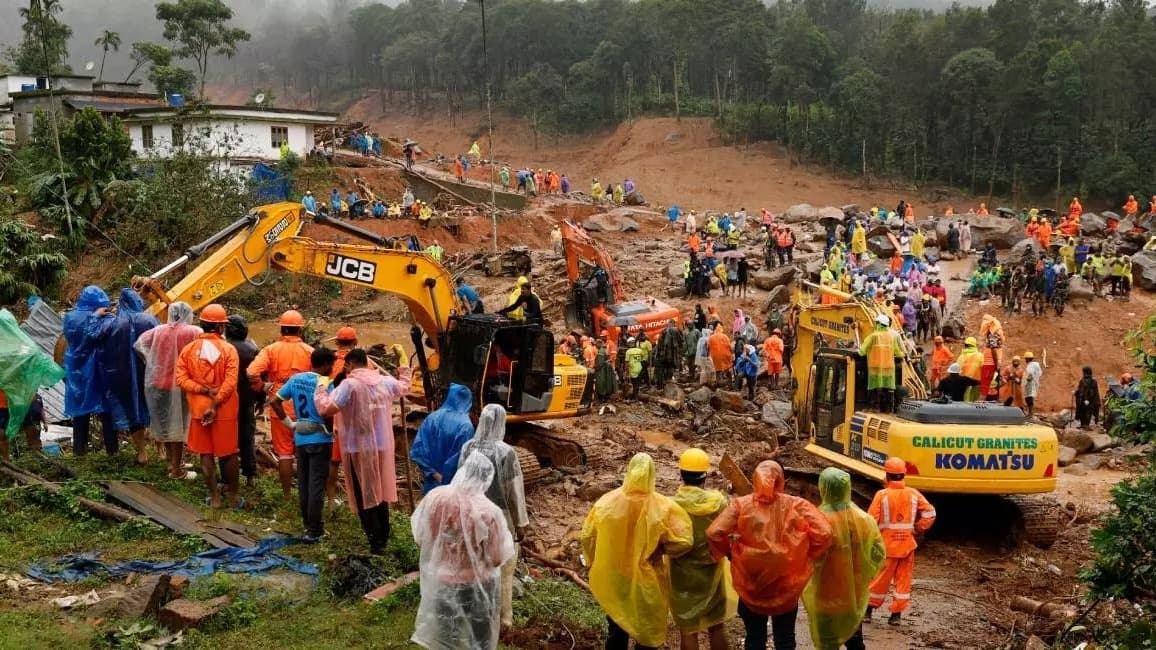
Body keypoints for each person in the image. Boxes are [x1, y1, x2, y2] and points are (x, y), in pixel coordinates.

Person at [707, 461, 833, 650]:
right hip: (786, 585)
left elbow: (714, 533)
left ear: (755, 479)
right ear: (781, 480)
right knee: (785, 638)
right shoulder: (796, 505)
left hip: (752, 583)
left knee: (755, 638)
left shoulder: (741, 505)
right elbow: (824, 533)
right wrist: (805, 555)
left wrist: (730, 552)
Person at [582, 453, 694, 650]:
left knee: (617, 625)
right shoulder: (664, 507)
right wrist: (664, 549)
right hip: (647, 577)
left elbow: (588, 537)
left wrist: (592, 562)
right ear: (653, 475)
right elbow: (685, 540)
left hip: (615, 575)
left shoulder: (606, 503)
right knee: (646, 630)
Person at [411, 453, 514, 650]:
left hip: (443, 581)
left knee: (445, 638)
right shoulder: (490, 512)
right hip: (477, 586)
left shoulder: (436, 498)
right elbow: (497, 558)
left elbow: (422, 538)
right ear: (487, 479)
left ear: (463, 471)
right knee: (480, 639)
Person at [315, 348, 410, 554]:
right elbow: (404, 387)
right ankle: (383, 536)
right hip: (383, 446)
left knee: (364, 494)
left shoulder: (350, 385)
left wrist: (321, 388)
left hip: (358, 448)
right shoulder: (384, 381)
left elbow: (325, 408)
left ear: (349, 365)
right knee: (381, 491)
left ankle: (376, 543)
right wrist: (403, 363)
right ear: (366, 362)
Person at [458, 404, 528, 630]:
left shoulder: (468, 447)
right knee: (504, 569)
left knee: (475, 565)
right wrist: (521, 524)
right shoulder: (506, 452)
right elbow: (514, 490)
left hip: (471, 514)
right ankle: (503, 620)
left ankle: (474, 612)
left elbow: (460, 480)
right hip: (500, 519)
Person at [803, 468, 886, 650]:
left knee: (826, 643)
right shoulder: (864, 520)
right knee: (855, 641)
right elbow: (879, 553)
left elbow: (803, 555)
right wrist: (866, 572)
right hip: (853, 593)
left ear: (823, 488)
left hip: (823, 594)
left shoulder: (816, 520)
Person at [174, 304, 241, 510]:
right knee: (228, 454)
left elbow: (180, 379)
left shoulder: (189, 350)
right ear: (221, 327)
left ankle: (215, 499)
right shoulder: (229, 350)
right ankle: (232, 497)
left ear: (202, 325)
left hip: (198, 410)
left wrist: (202, 390)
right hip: (224, 411)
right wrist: (215, 402)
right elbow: (230, 383)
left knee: (206, 454)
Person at [669, 449, 736, 650]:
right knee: (716, 625)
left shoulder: (672, 505)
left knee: (688, 629)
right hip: (712, 570)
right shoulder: (718, 502)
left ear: (681, 474)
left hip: (682, 574)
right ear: (705, 476)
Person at [247, 310, 314, 500]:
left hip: (279, 408)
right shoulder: (310, 351)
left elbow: (251, 373)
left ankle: (286, 496)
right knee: (305, 453)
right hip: (305, 408)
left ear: (281, 329)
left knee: (284, 454)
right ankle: (306, 494)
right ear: (300, 330)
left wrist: (263, 387)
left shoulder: (271, 350)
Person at [88, 288, 159, 462]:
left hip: (121, 376)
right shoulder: (149, 320)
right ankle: (162, 451)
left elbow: (92, 334)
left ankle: (142, 452)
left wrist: (96, 315)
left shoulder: (111, 323)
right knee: (154, 409)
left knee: (132, 412)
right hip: (147, 372)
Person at [134, 302, 201, 479]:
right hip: (180, 384)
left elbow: (139, 344)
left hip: (158, 383)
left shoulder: (158, 330)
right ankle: (176, 471)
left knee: (167, 424)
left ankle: (172, 461)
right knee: (178, 426)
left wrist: (152, 360)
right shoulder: (193, 331)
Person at [866, 457, 936, 626]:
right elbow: (930, 513)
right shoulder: (913, 494)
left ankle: (868, 612)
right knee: (903, 581)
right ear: (903, 475)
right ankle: (896, 616)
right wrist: (918, 528)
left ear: (887, 475)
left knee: (879, 580)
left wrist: (869, 541)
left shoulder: (881, 495)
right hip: (907, 546)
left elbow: (870, 520)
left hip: (887, 546)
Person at [410, 384, 476, 494]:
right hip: (453, 489)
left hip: (431, 486)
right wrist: (445, 478)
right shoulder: (466, 426)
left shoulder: (432, 418)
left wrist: (433, 473)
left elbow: (418, 449)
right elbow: (462, 458)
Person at [223, 315, 261, 485]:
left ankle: (226, 477)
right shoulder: (252, 349)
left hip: (225, 399)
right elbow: (259, 378)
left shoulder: (222, 348)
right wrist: (260, 399)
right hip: (247, 400)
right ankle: (250, 475)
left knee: (225, 438)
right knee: (247, 437)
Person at [860, 314, 904, 412]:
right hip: (888, 367)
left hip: (875, 366)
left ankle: (874, 407)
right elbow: (898, 352)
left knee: (875, 386)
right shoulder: (891, 337)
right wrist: (902, 355)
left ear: (879, 324)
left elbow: (862, 350)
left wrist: (860, 351)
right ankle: (889, 409)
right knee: (889, 387)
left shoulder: (873, 336)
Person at [654, 320, 683, 386]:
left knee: (667, 366)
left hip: (666, 352)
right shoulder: (675, 330)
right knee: (670, 365)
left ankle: (666, 380)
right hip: (671, 352)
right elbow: (681, 340)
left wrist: (659, 352)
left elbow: (659, 342)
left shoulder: (664, 331)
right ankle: (668, 380)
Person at [1022, 351, 1043, 416]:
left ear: (1027, 358)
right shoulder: (1036, 365)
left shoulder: (1030, 366)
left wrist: (1027, 380)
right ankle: (1030, 412)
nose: (1025, 359)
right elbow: (1040, 373)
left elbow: (1029, 375)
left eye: (1025, 358)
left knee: (1028, 398)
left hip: (1030, 384)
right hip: (1034, 383)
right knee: (1030, 397)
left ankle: (1030, 413)